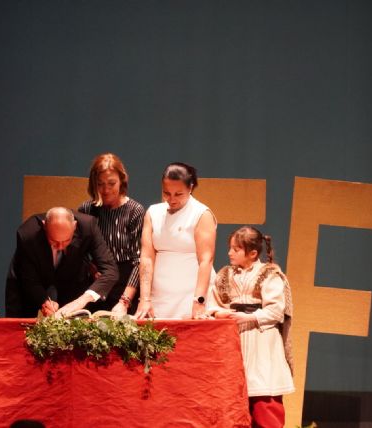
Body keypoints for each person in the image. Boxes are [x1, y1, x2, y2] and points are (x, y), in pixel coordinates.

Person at [207, 226, 294, 428]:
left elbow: (276, 311)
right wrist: (219, 313)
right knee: (234, 405)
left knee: (264, 401)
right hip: (234, 341)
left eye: (236, 249)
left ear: (253, 253)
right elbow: (212, 304)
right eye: (230, 248)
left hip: (261, 340)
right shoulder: (225, 275)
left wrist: (248, 317)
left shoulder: (269, 274)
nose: (229, 253)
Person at [136, 162, 216, 319]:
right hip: (159, 297)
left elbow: (206, 260)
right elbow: (146, 257)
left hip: (191, 296)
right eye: (166, 193)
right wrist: (145, 298)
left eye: (178, 194)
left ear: (190, 188)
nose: (171, 199)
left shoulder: (201, 214)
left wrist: (199, 301)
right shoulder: (153, 212)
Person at [5, 207, 119, 318]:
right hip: (29, 282)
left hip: (71, 278)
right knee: (21, 324)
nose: (60, 247)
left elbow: (110, 271)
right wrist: (44, 301)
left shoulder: (87, 226)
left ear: (74, 226)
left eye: (66, 240)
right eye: (54, 241)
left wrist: (81, 300)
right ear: (44, 226)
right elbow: (29, 278)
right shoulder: (28, 234)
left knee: (73, 321)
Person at [78, 153, 145, 315]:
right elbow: (79, 252)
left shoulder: (134, 211)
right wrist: (92, 269)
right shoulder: (86, 209)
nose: (106, 190)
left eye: (111, 183)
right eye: (100, 184)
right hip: (95, 283)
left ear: (122, 180)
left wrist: (125, 301)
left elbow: (139, 261)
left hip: (125, 285)